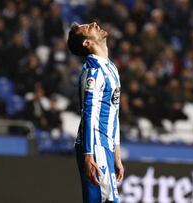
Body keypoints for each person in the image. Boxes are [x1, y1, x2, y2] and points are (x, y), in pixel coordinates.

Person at [67, 22, 124, 203]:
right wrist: (89, 154)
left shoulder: (111, 68)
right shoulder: (93, 73)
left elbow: (114, 112)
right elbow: (88, 114)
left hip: (105, 145)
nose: (94, 23)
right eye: (88, 27)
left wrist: (117, 153)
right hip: (95, 145)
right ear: (86, 43)